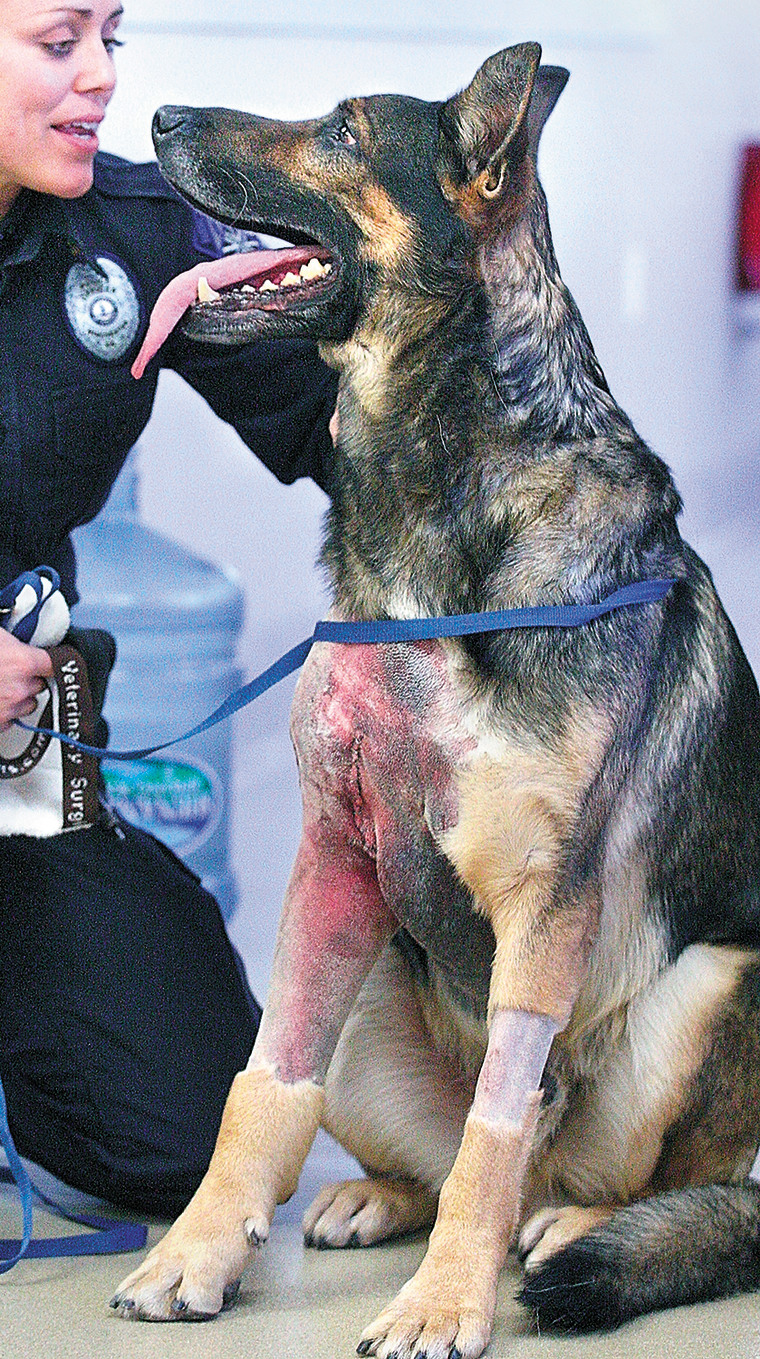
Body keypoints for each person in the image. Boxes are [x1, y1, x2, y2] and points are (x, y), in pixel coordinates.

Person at [0, 0, 338, 1216]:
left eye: (111, 37)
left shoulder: (136, 228)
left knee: (194, 1141)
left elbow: (344, 420)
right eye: (57, 42)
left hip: (18, 772)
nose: (98, 77)